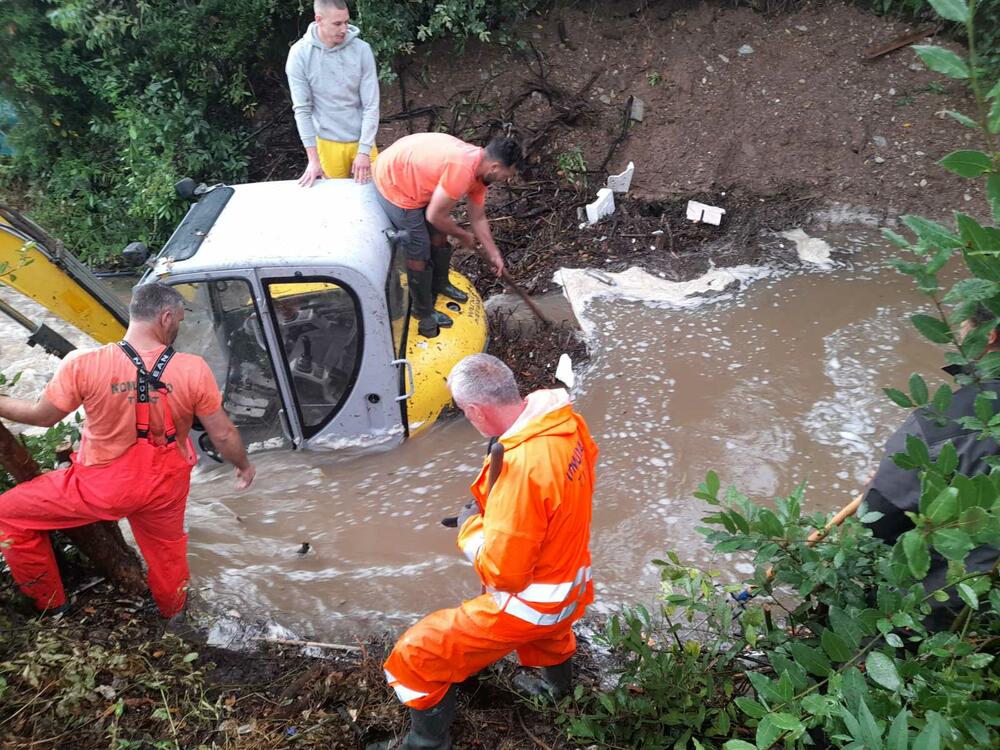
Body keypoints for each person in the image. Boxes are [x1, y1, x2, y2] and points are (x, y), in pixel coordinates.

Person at [374, 353, 598, 750]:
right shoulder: (563, 424)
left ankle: (425, 745)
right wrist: (496, 509)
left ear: (476, 409)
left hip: (531, 602)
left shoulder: (522, 467)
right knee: (551, 634)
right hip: (570, 580)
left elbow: (505, 573)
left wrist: (470, 529)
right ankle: (556, 692)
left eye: (463, 411)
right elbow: (558, 497)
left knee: (417, 653)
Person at [0, 282, 255, 617]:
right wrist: (242, 465)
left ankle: (51, 604)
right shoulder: (193, 368)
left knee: (8, 513)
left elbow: (41, 416)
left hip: (100, 488)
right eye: (178, 319)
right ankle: (174, 615)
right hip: (165, 487)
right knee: (167, 554)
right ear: (165, 317)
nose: (178, 326)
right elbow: (222, 434)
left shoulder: (85, 365)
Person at [863, 307, 999, 630]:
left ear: (990, 334)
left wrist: (879, 487)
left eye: (963, 326)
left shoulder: (940, 423)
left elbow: (872, 524)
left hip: (954, 608)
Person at [373, 133, 520, 338]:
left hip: (417, 173)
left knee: (441, 232)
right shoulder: (462, 170)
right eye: (505, 176)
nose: (504, 180)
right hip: (394, 181)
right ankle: (423, 312)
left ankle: (440, 283)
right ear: (495, 167)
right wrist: (462, 235)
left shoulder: (480, 171)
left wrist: (493, 252)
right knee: (419, 245)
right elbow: (434, 215)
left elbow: (477, 218)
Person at [286, 0, 380, 186]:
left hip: (362, 140)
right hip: (327, 144)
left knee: (373, 197)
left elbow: (371, 105)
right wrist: (313, 159)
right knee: (339, 205)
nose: (344, 29)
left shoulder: (362, 50)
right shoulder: (299, 54)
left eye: (346, 22)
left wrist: (364, 150)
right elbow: (303, 110)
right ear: (318, 19)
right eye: (337, 24)